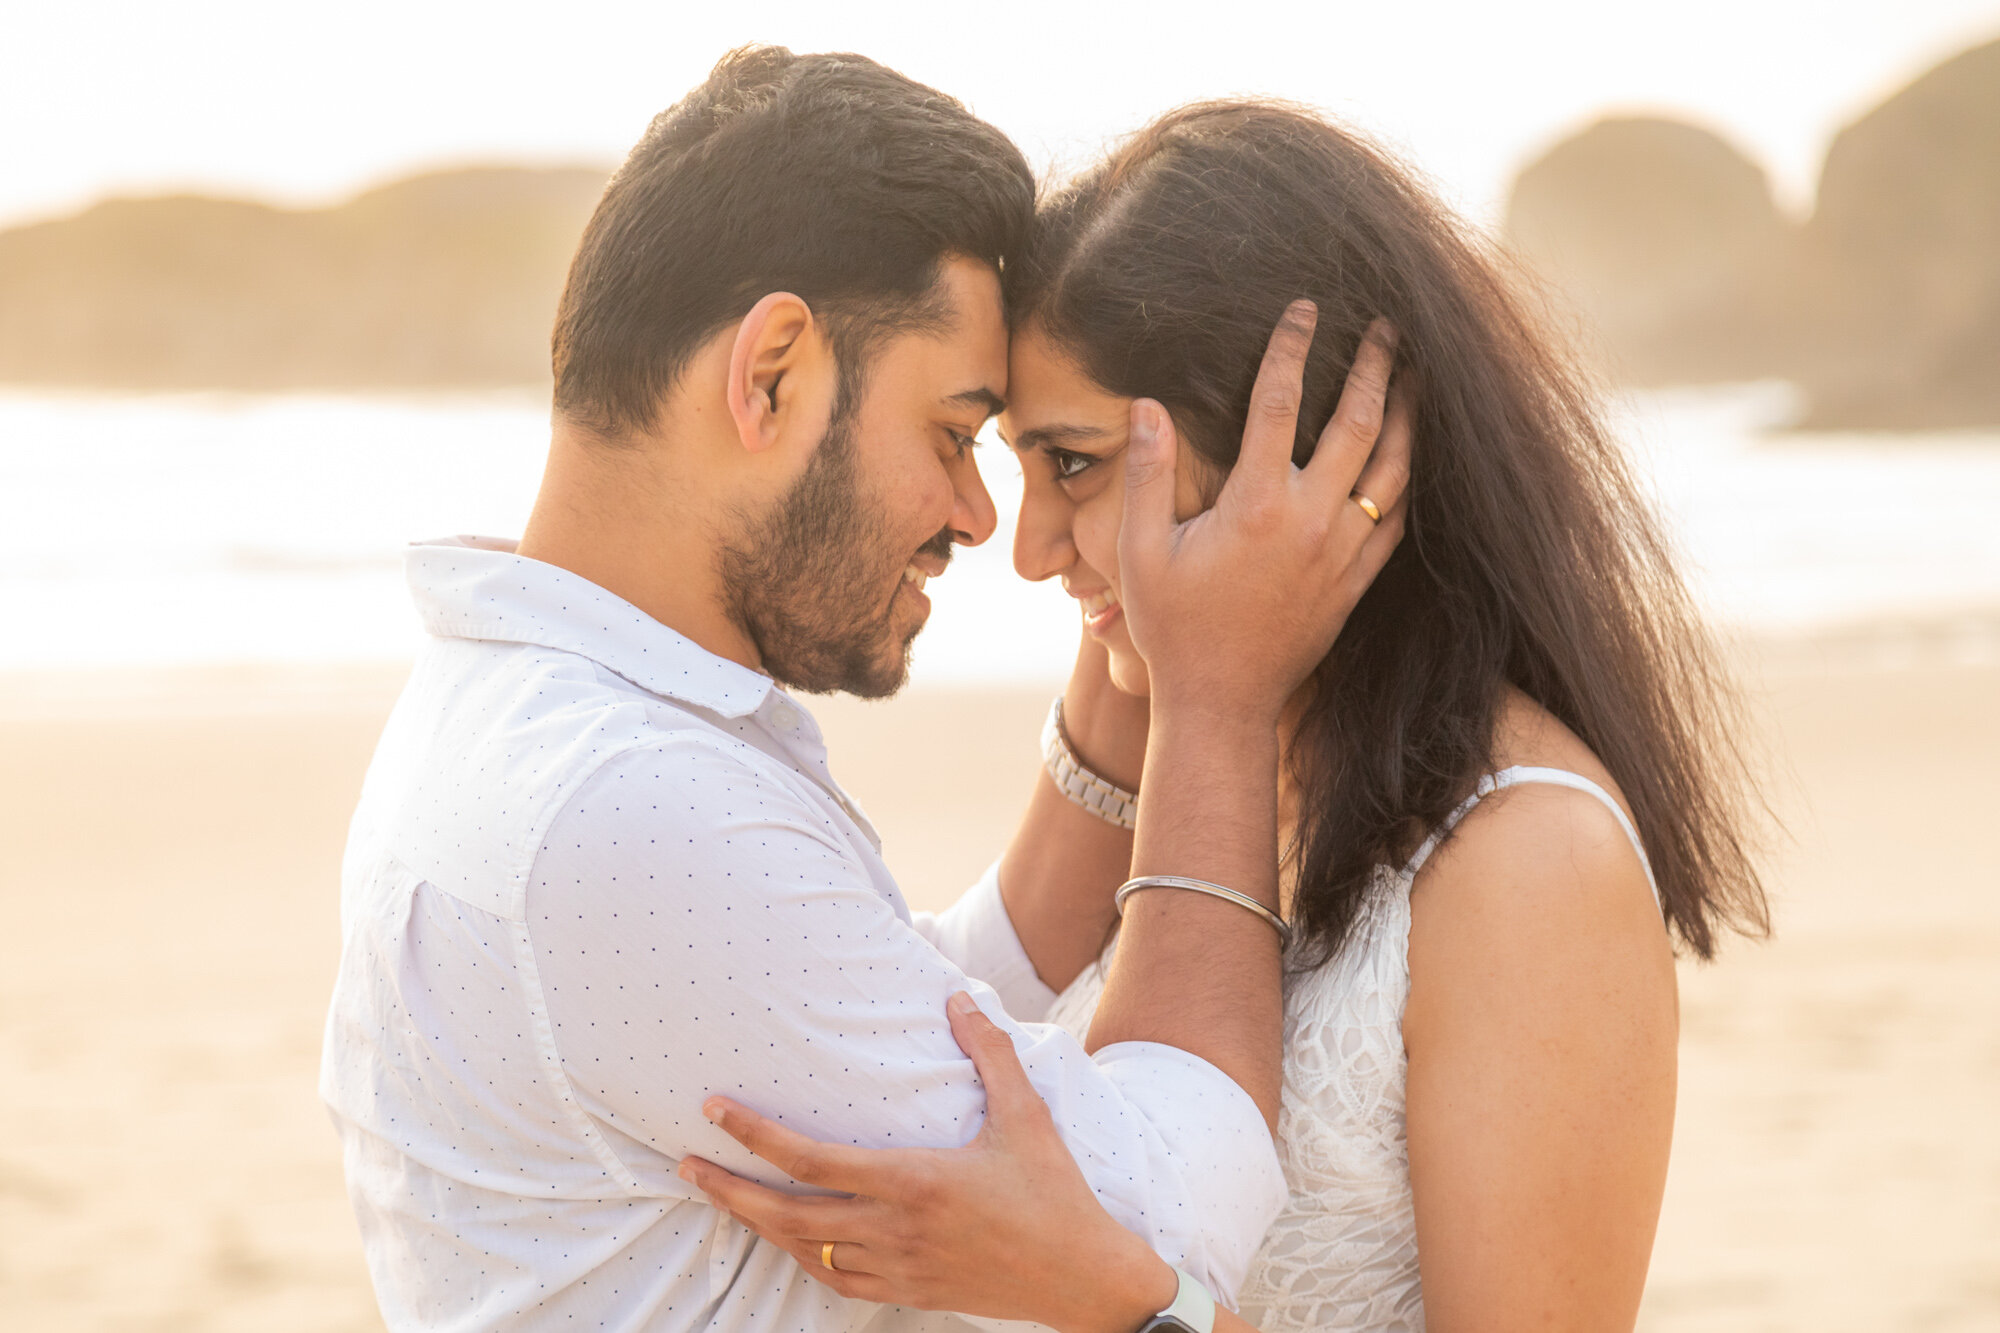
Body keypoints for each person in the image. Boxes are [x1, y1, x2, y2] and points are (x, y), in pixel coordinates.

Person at [319, 54, 1410, 1332]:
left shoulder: (535, 710)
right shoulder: (630, 812)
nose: (980, 515)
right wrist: (1215, 695)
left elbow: (892, 1014)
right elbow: (1165, 1209)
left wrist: (1122, 692)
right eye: (954, 434)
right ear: (770, 371)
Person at [677, 100, 1770, 1332]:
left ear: (1294, 449)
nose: (1027, 548)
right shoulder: (1203, 750)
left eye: (1074, 463)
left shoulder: (1527, 861)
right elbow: (966, 996)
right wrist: (1169, 666)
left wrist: (1124, 1303)